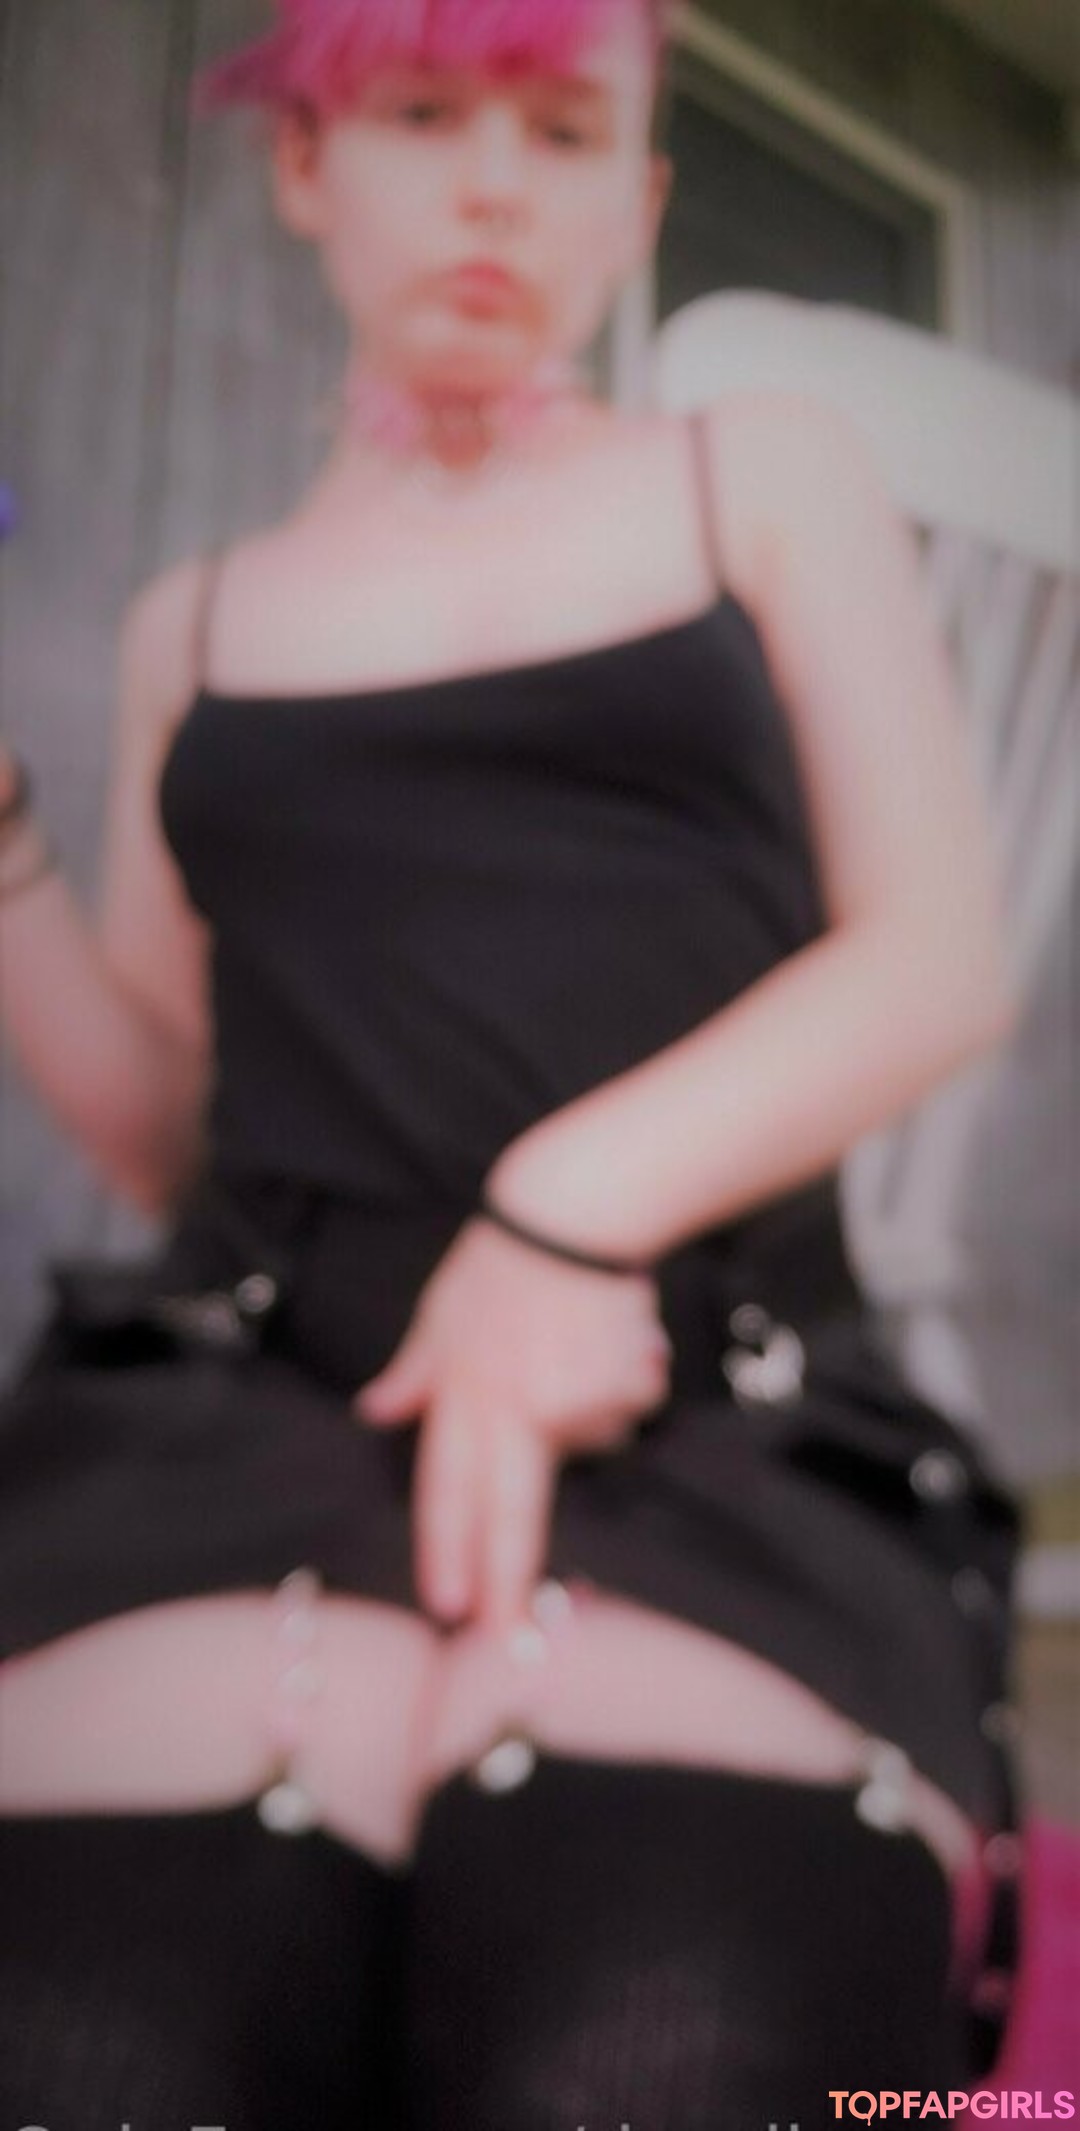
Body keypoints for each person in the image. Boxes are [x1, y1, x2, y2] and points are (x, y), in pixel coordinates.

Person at [0, 0, 1027, 2123]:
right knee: (90, 2043)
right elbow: (176, 1130)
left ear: (640, 200)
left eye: (563, 133)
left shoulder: (755, 475)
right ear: (306, 168)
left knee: (671, 2048)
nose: (493, 183)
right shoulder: (200, 617)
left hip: (707, 1384)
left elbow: (937, 957)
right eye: (422, 111)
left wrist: (561, 1218)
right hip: (269, 1383)